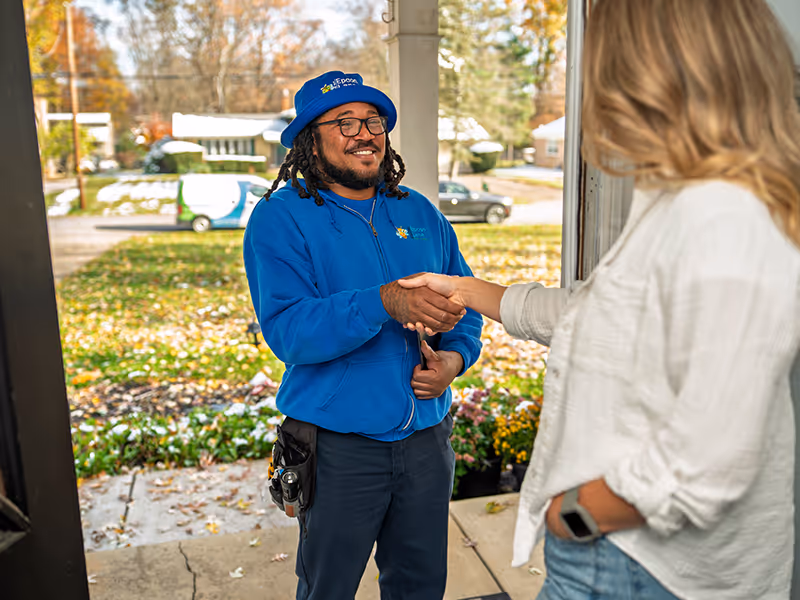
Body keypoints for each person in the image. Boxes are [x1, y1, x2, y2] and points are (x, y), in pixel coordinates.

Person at [399, 0, 800, 598]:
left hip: (640, 563)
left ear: (651, 68)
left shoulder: (724, 215)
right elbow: (602, 315)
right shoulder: (685, 199)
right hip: (630, 555)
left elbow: (711, 462)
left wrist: (576, 513)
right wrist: (465, 290)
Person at [242, 71, 483, 600]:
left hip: (426, 443)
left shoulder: (419, 211)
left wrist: (455, 361)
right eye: (345, 122)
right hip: (338, 450)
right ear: (310, 140)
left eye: (373, 121)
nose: (365, 134)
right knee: (327, 589)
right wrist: (382, 302)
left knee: (421, 587)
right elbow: (289, 331)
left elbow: (466, 304)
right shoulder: (280, 218)